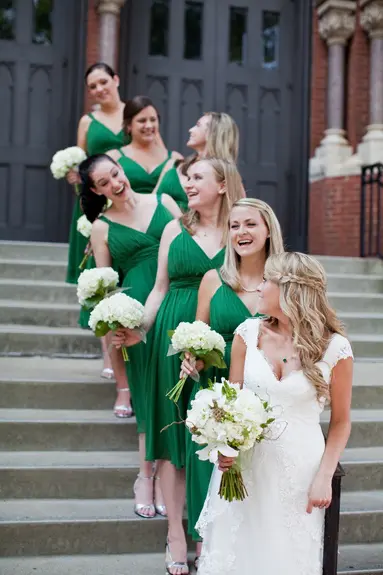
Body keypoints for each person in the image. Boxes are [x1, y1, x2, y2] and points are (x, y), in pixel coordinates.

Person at [114, 157, 243, 574]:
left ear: (222, 185)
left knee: (212, 433)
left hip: (221, 338)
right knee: (172, 438)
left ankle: (207, 534)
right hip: (173, 334)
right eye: (186, 178)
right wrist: (142, 329)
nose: (187, 184)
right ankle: (174, 532)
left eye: (197, 178)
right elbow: (159, 289)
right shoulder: (175, 228)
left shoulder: (238, 230)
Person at [196, 252, 353, 575]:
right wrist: (224, 449)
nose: (259, 287)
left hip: (301, 470)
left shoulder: (335, 348)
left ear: (290, 291)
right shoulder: (246, 334)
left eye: (267, 281)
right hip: (246, 468)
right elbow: (231, 402)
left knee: (288, 558)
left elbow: (340, 422)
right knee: (236, 554)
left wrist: (324, 476)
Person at [180, 198, 284, 569]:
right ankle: (210, 553)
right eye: (235, 226)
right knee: (212, 473)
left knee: (258, 484)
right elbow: (199, 335)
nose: (241, 232)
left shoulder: (285, 281)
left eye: (250, 224)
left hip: (267, 396)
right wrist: (191, 359)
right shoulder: (213, 279)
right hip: (216, 395)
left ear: (268, 229)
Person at [79, 153, 181, 517]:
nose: (115, 184)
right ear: (95, 190)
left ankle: (175, 475)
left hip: (180, 300)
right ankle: (145, 476)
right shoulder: (102, 227)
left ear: (122, 169)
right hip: (137, 310)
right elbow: (106, 287)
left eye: (115, 174)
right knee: (146, 392)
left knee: (176, 391)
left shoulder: (165, 202)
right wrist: (115, 327)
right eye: (104, 183)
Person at [65, 62, 128, 380]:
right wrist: (71, 174)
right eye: (92, 86)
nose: (99, 89)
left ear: (116, 80)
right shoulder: (87, 122)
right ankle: (107, 354)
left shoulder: (133, 114)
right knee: (102, 277)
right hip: (96, 206)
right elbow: (80, 166)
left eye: (104, 81)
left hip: (128, 198)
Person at [155, 112, 241, 212]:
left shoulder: (228, 177)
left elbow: (236, 216)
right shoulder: (174, 164)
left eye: (198, 125)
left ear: (213, 133)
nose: (190, 130)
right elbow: (152, 199)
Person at [107, 96, 182, 198]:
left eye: (153, 120)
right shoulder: (113, 157)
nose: (149, 125)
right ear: (129, 126)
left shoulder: (175, 158)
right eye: (142, 121)